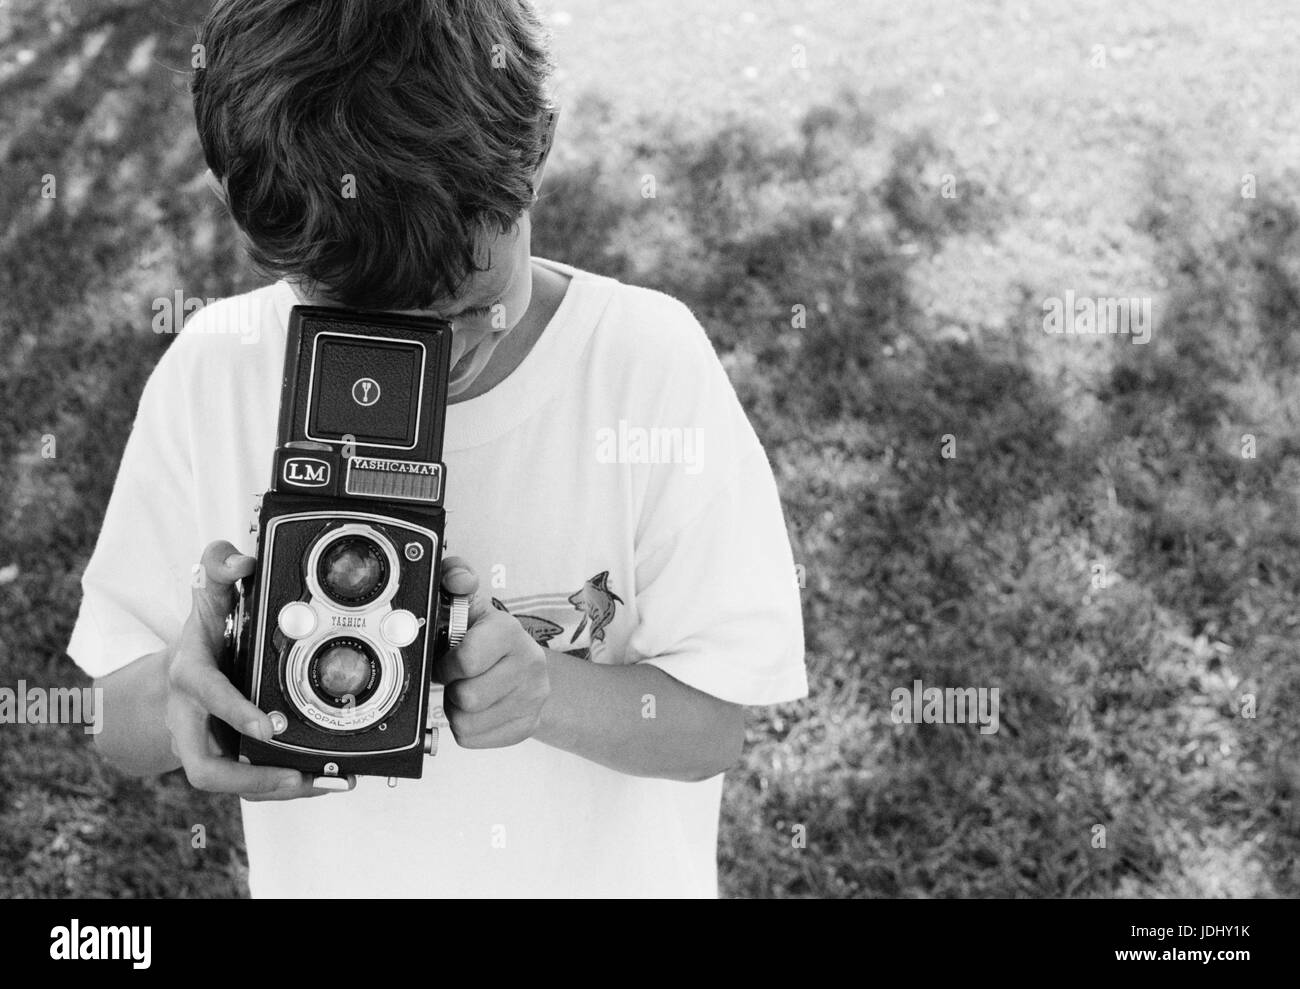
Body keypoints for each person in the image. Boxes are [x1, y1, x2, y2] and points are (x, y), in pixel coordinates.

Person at [67, 0, 805, 897]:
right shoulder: (215, 374)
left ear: (536, 154)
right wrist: (183, 691)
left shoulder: (647, 366)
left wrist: (548, 693)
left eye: (464, 305)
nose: (435, 357)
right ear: (250, 223)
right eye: (360, 322)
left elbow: (715, 725)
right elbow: (111, 715)